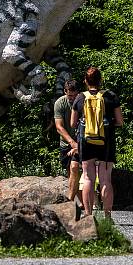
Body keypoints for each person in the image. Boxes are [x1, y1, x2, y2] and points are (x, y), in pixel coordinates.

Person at [70, 67, 123, 221]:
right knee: (105, 179)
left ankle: (88, 215)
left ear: (85, 81)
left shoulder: (80, 98)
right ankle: (107, 216)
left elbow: (73, 123)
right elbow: (120, 121)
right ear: (101, 80)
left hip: (86, 142)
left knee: (87, 178)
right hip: (106, 142)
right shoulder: (111, 96)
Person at [54, 79, 82, 209]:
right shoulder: (60, 103)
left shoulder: (83, 101)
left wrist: (79, 144)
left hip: (82, 142)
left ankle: (70, 202)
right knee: (71, 173)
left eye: (74, 95)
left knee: (75, 167)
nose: (72, 98)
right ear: (65, 92)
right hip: (66, 143)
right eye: (69, 95)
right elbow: (59, 127)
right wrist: (71, 142)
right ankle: (82, 202)